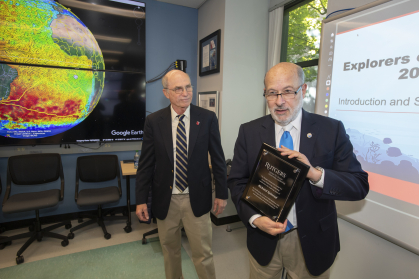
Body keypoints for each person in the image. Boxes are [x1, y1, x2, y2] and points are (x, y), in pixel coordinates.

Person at [228, 62, 369, 279]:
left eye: (288, 91)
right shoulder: (249, 131)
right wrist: (255, 218)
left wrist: (315, 174)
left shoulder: (331, 130)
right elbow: (237, 182)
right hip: (263, 239)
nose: (279, 101)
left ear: (303, 90)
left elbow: (359, 185)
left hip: (312, 241)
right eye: (272, 93)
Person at [135, 69, 228, 279]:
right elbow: (146, 164)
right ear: (166, 93)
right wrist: (141, 200)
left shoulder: (207, 118)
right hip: (165, 199)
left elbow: (218, 157)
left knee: (203, 253)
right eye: (178, 88)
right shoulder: (154, 122)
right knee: (170, 251)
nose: (185, 92)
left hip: (196, 197)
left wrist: (222, 193)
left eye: (188, 87)